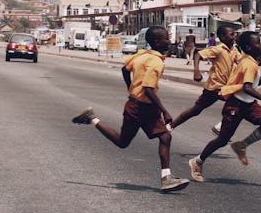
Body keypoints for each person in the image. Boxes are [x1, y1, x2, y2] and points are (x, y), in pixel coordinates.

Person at [71, 26, 189, 193]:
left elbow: (124, 69)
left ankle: (166, 177)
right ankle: (92, 119)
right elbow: (148, 88)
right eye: (166, 39)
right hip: (139, 108)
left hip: (142, 106)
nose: (169, 41)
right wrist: (164, 111)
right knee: (122, 142)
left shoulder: (142, 55)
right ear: (157, 42)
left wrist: (131, 89)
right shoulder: (155, 62)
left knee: (165, 137)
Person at [188, 31, 261, 182]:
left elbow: (253, 84)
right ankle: (197, 161)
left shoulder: (249, 60)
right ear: (248, 47)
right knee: (222, 140)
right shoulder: (248, 63)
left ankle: (242, 145)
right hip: (236, 105)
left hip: (249, 104)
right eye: (257, 42)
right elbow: (247, 87)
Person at [167, 25, 240, 132]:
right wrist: (196, 71)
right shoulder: (218, 49)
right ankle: (171, 126)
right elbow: (198, 55)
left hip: (225, 87)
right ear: (222, 37)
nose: (234, 37)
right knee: (196, 110)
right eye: (231, 34)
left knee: (238, 103)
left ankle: (221, 126)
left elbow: (242, 62)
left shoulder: (234, 50)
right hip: (213, 87)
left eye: (234, 34)